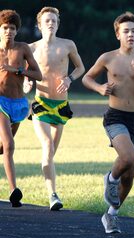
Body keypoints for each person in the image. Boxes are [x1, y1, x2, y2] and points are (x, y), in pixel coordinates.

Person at [82, 11, 134, 234]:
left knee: (130, 174)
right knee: (127, 157)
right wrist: (99, 88)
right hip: (115, 116)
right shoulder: (108, 58)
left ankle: (111, 214)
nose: (131, 35)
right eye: (126, 31)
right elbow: (87, 77)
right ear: (118, 34)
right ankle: (110, 177)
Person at [25, 7, 85, 211]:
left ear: (58, 24)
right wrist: (26, 83)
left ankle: (47, 174)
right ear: (39, 25)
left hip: (60, 106)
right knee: (48, 146)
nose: (51, 23)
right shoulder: (31, 48)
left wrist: (69, 79)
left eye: (54, 20)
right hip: (41, 104)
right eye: (47, 20)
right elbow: (26, 74)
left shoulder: (68, 45)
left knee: (50, 154)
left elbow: (80, 68)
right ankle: (53, 195)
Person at [0, 10, 42, 207]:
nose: (9, 31)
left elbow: (38, 74)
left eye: (12, 28)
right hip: (0, 102)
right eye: (5, 28)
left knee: (3, 148)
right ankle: (13, 190)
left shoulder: (23, 48)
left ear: (17, 31)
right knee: (9, 145)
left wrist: (17, 70)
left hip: (18, 104)